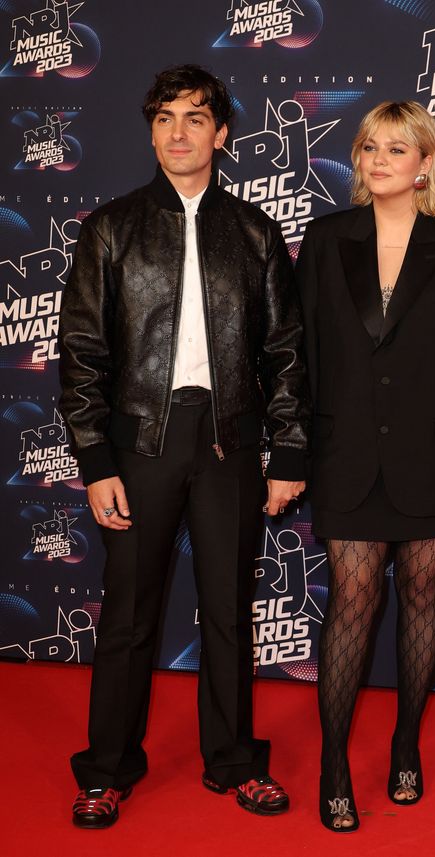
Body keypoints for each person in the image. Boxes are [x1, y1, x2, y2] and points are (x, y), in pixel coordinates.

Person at [58, 64, 309, 829]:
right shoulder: (112, 227)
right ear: (151, 131)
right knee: (128, 615)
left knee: (230, 611)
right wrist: (97, 460)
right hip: (141, 444)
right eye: (165, 118)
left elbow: (287, 354)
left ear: (222, 133)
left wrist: (290, 452)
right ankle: (106, 770)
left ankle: (234, 760)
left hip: (229, 443)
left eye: (195, 118)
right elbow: (81, 355)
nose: (178, 133)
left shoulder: (255, 232)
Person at [296, 101, 435, 832]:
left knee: (423, 601)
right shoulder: (325, 241)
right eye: (367, 148)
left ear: (426, 164)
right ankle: (332, 763)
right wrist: (294, 455)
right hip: (346, 457)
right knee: (351, 602)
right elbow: (301, 362)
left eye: (396, 148)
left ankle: (406, 745)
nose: (378, 159)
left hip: (434, 461)